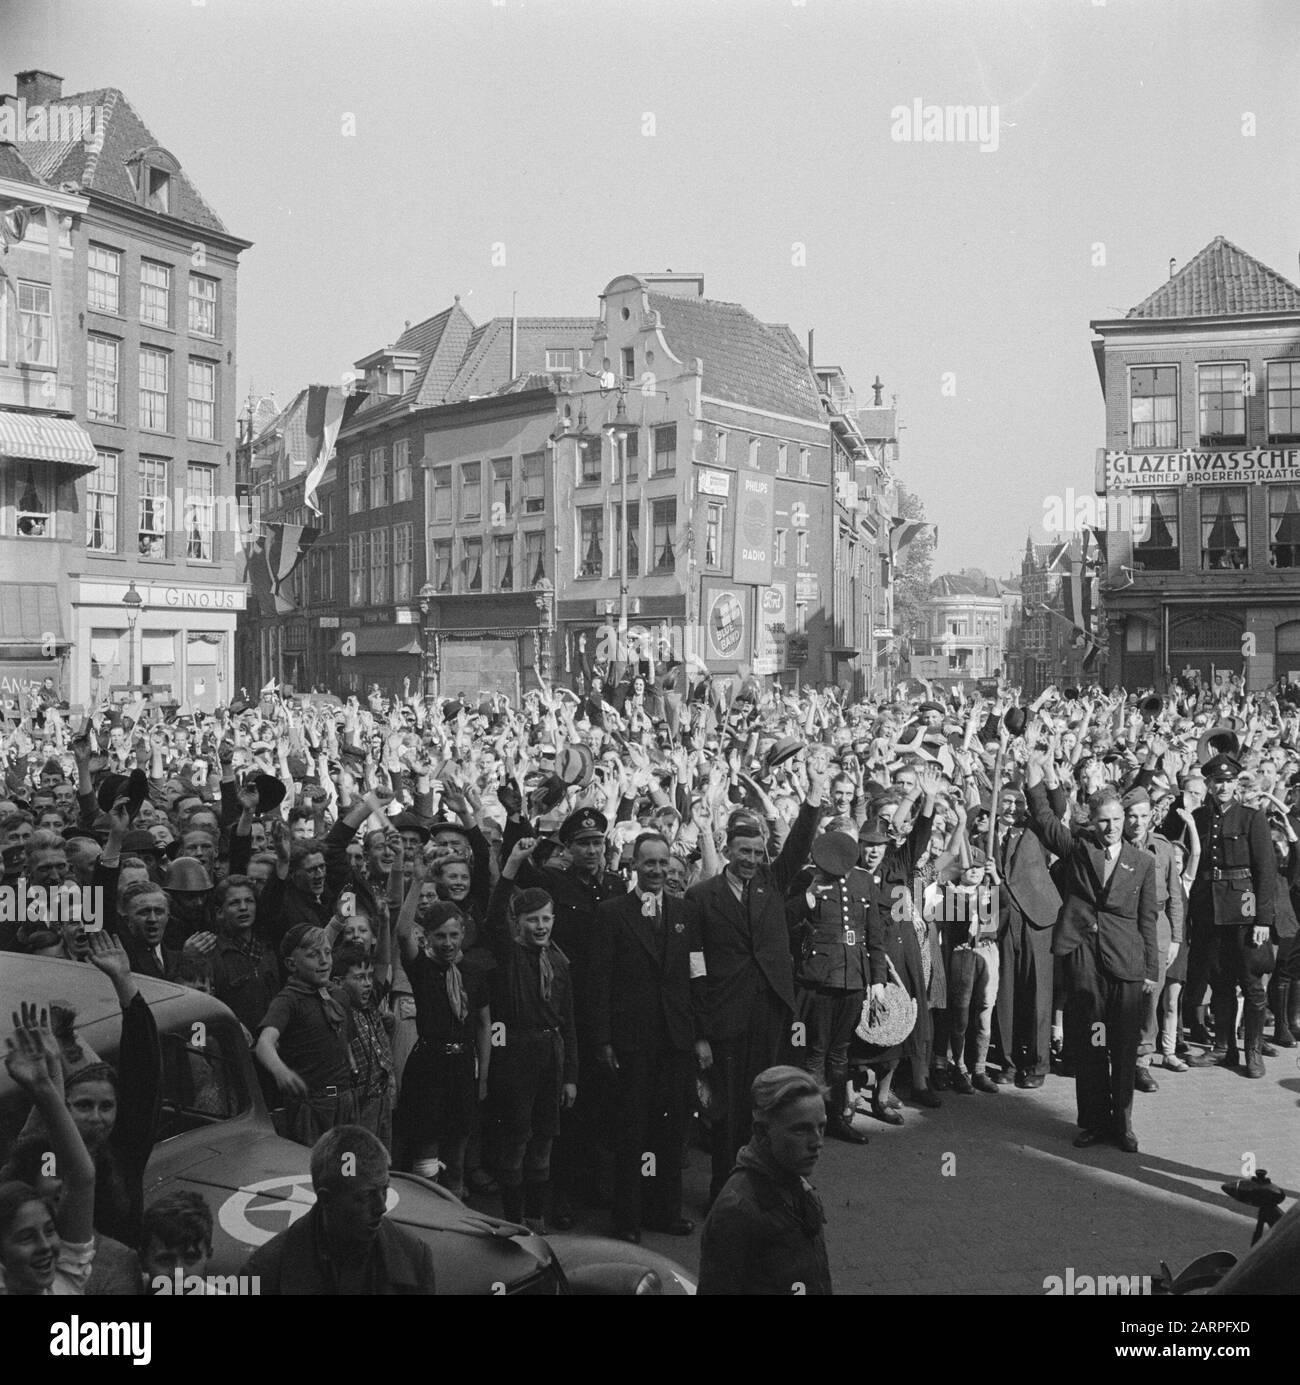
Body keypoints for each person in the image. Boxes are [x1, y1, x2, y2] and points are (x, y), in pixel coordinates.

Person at [689, 760, 827, 1203]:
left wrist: (813, 794)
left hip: (769, 1012)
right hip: (725, 1016)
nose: (749, 859)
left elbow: (801, 843)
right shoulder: (701, 897)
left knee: (768, 1104)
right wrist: (701, 1031)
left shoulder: (772, 882)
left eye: (755, 852)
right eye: (742, 852)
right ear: (728, 851)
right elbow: (694, 965)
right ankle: (724, 1190)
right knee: (728, 1111)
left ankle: (763, 1185)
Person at [1026, 752, 1158, 1152]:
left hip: (1126, 962)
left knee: (1121, 1046)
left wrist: (1151, 969)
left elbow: (1147, 920)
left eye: (1118, 820)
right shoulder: (1080, 848)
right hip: (1085, 958)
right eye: (1104, 820)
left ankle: (1124, 1125)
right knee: (1091, 1043)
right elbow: (1047, 822)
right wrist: (1037, 777)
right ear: (1092, 820)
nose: (1113, 827)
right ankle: (1094, 1121)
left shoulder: (1144, 861)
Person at [589, 831, 708, 1242]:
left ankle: (665, 1211)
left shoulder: (684, 914)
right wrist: (603, 1039)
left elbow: (697, 976)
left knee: (671, 1131)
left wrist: (698, 1034)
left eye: (663, 863)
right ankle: (628, 1217)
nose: (657, 871)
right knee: (632, 1131)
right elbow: (599, 981)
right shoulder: (611, 913)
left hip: (675, 1040)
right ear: (634, 865)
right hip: (632, 1041)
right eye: (649, 863)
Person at [484, 840, 578, 1232]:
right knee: (517, 1140)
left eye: (546, 919)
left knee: (545, 1140)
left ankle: (536, 1217)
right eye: (533, 920)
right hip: (517, 1056)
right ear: (518, 922)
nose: (541, 927)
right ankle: (512, 1218)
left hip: (550, 1055)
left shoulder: (558, 960)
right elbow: (492, 919)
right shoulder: (510, 954)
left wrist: (571, 1075)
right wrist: (511, 866)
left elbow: (568, 1022)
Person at [243, 1125, 435, 1294]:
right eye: (366, 1196)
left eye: (384, 1189)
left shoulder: (413, 1256)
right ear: (327, 1199)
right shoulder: (264, 1274)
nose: (381, 1207)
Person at [393, 872, 491, 1196]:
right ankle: (429, 1214)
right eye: (440, 936)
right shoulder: (422, 969)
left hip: (462, 1066)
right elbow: (402, 932)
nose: (447, 943)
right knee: (426, 1157)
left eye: (453, 935)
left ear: (463, 933)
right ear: (428, 938)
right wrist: (417, 883)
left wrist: (484, 1078)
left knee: (458, 1151)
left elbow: (483, 1025)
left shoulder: (474, 973)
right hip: (429, 1066)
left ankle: (457, 1214)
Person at [696, 1066, 832, 1296]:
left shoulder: (793, 1182)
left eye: (821, 1127)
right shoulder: (738, 1210)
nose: (817, 1142)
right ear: (762, 1131)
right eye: (801, 1130)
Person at [1185, 754, 1278, 1077]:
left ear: (1236, 783)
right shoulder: (1198, 817)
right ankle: (1224, 1048)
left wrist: (1262, 919)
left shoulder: (1252, 818)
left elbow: (1265, 871)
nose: (1222, 787)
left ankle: (1252, 1051)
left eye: (1227, 781)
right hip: (1209, 911)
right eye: (1215, 781)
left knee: (1251, 984)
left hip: (1243, 910)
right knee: (1219, 982)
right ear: (1207, 784)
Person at [789, 830, 884, 1142]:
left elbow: (874, 935)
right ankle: (812, 1120)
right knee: (815, 1051)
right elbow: (787, 920)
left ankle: (836, 1117)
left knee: (840, 1052)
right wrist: (809, 897)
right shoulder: (807, 877)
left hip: (853, 977)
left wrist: (878, 980)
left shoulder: (864, 881)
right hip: (818, 977)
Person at [255, 924, 359, 1146]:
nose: (324, 960)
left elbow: (343, 1038)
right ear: (291, 964)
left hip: (344, 1099)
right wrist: (281, 1071)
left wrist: (349, 1060)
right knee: (311, 1168)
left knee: (346, 1166)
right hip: (312, 1105)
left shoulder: (338, 995)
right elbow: (264, 1043)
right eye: (313, 955)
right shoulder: (288, 1000)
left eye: (328, 953)